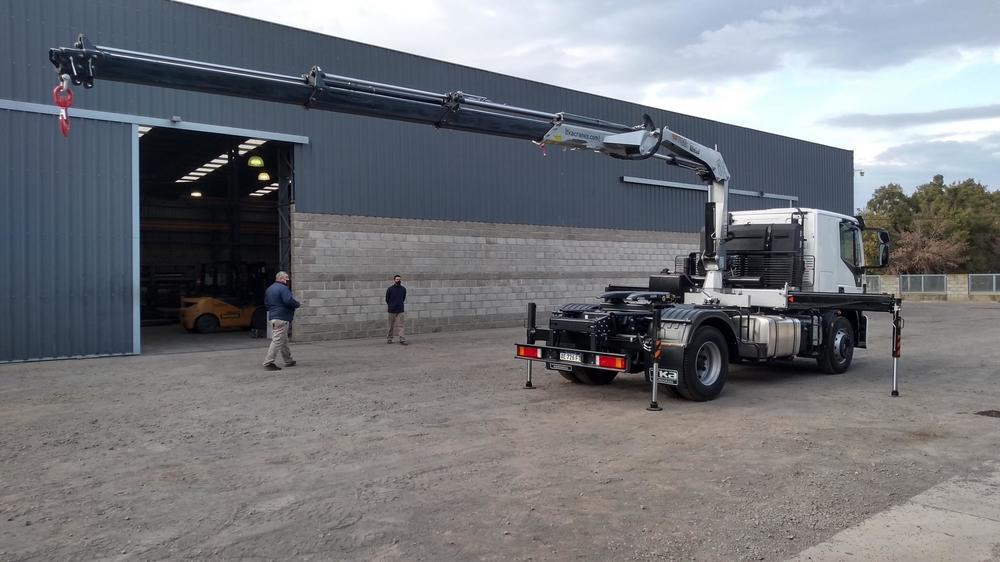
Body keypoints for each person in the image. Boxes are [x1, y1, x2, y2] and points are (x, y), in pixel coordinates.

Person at [262, 271, 301, 370]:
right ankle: (268, 362)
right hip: (282, 317)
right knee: (277, 340)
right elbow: (288, 301)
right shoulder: (283, 288)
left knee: (283, 340)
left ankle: (288, 360)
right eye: (286, 278)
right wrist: (297, 304)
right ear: (280, 278)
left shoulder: (270, 289)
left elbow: (266, 303)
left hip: (273, 317)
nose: (288, 280)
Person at [385, 274, 407, 345]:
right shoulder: (390, 289)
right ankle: (389, 339)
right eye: (397, 279)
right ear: (394, 280)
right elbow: (387, 299)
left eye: (399, 279)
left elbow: (403, 298)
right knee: (390, 326)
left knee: (401, 326)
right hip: (391, 310)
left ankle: (402, 339)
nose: (398, 280)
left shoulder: (403, 289)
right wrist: (391, 305)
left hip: (400, 310)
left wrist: (399, 304)